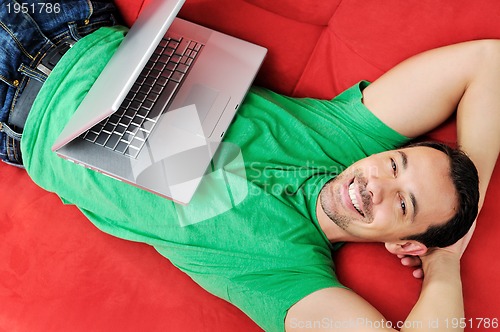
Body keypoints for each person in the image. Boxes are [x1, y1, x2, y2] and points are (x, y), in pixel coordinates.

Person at [2, 2, 499, 332]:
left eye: (404, 203)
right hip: (63, 21)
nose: (375, 186)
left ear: (404, 243)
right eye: (394, 165)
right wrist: (464, 203)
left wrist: (447, 257)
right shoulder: (343, 137)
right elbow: (490, 64)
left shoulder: (286, 274)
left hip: (12, 115)